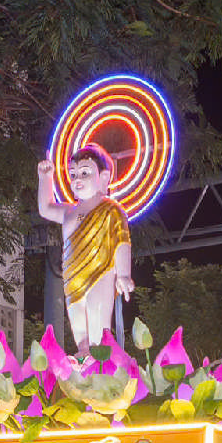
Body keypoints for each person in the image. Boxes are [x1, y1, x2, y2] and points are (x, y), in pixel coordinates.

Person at [37, 145, 133, 351]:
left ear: (104, 177)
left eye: (85, 173)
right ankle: (83, 356)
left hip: (100, 273)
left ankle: (100, 362)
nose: (77, 179)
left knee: (98, 331)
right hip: (72, 278)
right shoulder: (69, 212)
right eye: (73, 174)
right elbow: (45, 208)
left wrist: (124, 274)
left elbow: (122, 242)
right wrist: (46, 178)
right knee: (80, 333)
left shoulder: (111, 209)